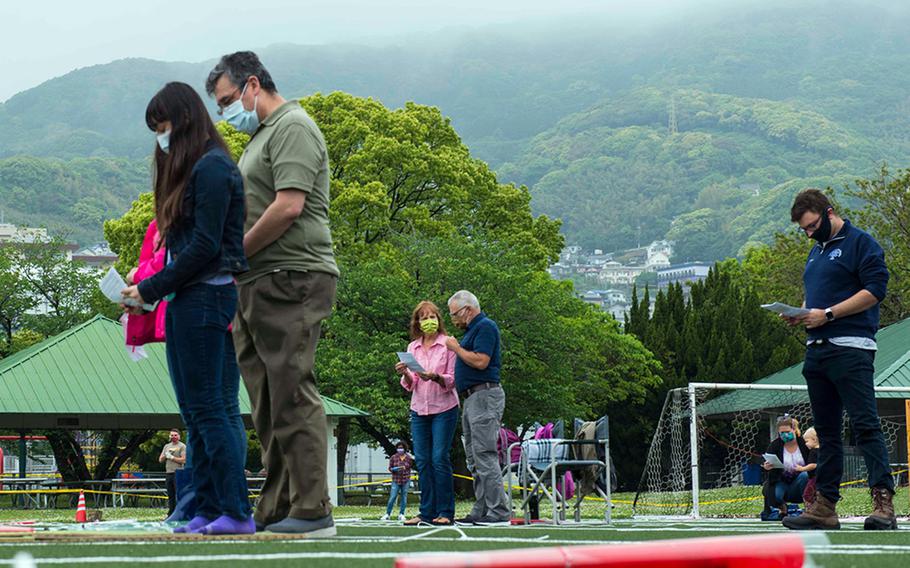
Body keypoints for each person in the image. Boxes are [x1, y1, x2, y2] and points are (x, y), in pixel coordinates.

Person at [206, 51, 339, 536]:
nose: (226, 113)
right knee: (265, 399)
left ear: (252, 85)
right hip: (257, 280)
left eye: (226, 101)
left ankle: (313, 507)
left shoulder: (293, 126)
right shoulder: (261, 136)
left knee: (290, 387)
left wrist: (233, 254)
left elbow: (288, 207)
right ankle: (278, 504)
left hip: (292, 274)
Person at [122, 81, 252, 535]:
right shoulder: (194, 170)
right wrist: (152, 285)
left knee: (212, 408)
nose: (161, 138)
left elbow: (205, 246)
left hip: (207, 298)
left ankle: (234, 510)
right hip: (185, 300)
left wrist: (150, 288)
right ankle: (209, 509)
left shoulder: (214, 169)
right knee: (197, 411)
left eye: (163, 127)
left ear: (185, 120)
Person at [782, 189, 896, 531]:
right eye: (804, 229)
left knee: (865, 424)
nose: (809, 233)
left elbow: (876, 289)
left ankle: (883, 503)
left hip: (851, 347)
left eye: (813, 226)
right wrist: (801, 314)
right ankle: (825, 506)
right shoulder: (815, 253)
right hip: (816, 350)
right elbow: (814, 299)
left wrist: (828, 314)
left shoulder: (862, 243)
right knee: (826, 432)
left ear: (830, 212)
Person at [445, 290, 510, 526]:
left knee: (484, 453)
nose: (453, 319)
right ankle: (482, 508)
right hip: (472, 398)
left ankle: (499, 510)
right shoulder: (472, 330)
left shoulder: (486, 327)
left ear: (468, 310)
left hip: (484, 394)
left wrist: (456, 348)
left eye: (454, 314)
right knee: (474, 457)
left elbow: (481, 361)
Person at [394, 301, 458, 526]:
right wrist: (405, 373)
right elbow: (411, 384)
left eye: (432, 316)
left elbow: (452, 379)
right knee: (421, 460)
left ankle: (446, 512)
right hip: (419, 408)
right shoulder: (412, 348)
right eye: (423, 317)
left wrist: (437, 377)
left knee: (439, 458)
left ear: (439, 320)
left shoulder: (449, 345)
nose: (428, 321)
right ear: (417, 323)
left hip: (444, 408)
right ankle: (426, 512)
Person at [760, 416, 814, 521]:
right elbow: (767, 461)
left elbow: (814, 459)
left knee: (805, 475)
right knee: (774, 494)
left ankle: (809, 508)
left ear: (794, 429)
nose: (785, 435)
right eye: (782, 433)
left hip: (801, 482)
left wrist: (803, 468)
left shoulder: (804, 444)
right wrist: (767, 466)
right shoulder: (775, 445)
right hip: (781, 481)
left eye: (787, 431)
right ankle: (782, 508)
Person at [381, 441, 414, 521]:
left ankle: (401, 514)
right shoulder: (393, 457)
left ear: (405, 449)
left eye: (401, 448)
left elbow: (409, 466)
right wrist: (394, 469)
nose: (400, 449)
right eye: (399, 448)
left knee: (404, 497)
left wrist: (404, 467)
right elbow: (390, 468)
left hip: (406, 479)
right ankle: (387, 514)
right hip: (396, 480)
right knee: (392, 497)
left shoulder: (408, 458)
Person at [159, 429, 187, 517]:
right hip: (169, 473)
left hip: (178, 473)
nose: (173, 437)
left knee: (178, 494)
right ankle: (171, 514)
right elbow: (160, 460)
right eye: (172, 435)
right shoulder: (167, 446)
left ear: (179, 436)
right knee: (170, 495)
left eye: (175, 435)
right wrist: (166, 455)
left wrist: (172, 457)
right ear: (169, 436)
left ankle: (181, 513)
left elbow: (184, 460)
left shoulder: (182, 446)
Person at [801, 427, 820, 507]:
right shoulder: (823, 451)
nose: (805, 444)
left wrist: (802, 468)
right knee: (817, 496)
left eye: (807, 441)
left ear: (814, 440)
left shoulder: (813, 452)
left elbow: (813, 465)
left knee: (807, 495)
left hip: (814, 478)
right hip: (821, 477)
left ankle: (810, 511)